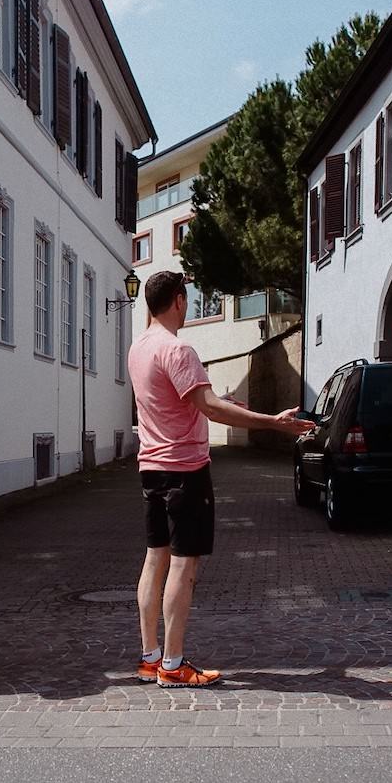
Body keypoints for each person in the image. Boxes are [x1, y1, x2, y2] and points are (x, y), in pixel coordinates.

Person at [127, 271, 314, 688]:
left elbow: (181, 401)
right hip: (184, 470)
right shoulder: (179, 349)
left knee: (154, 558)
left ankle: (149, 658)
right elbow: (208, 407)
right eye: (188, 298)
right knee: (182, 565)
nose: (190, 305)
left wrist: (221, 400)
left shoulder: (139, 348)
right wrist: (271, 422)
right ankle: (173, 666)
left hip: (151, 467)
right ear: (178, 300)